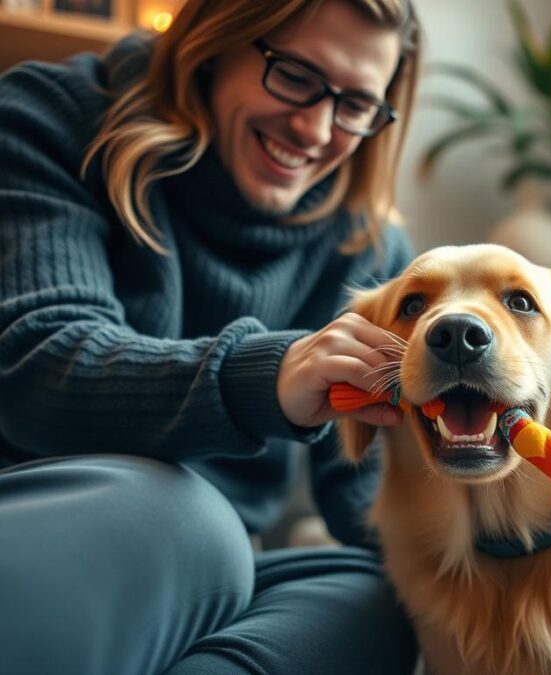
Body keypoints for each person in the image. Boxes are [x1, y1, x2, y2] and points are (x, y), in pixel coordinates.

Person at [0, 1, 423, 673]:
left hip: (224, 567)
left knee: (383, 594)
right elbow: (37, 359)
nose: (316, 128)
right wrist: (264, 376)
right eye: (294, 75)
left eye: (355, 106)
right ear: (213, 41)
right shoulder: (50, 117)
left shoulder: (367, 245)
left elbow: (362, 485)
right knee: (188, 520)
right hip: (52, 508)